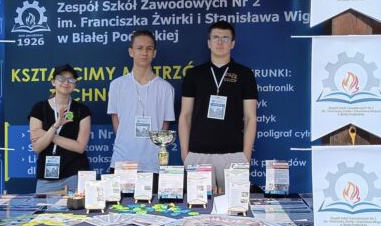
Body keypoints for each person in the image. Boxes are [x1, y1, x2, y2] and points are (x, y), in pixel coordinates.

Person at [178, 21, 258, 192]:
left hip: (234, 156)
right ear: (209, 43)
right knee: (198, 205)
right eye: (215, 38)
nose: (220, 42)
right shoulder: (194, 74)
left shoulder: (245, 74)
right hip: (198, 155)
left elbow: (250, 117)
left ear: (233, 43)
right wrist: (185, 154)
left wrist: (245, 156)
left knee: (234, 206)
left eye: (225, 38)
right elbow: (185, 115)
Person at [107, 30, 175, 174]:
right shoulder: (117, 85)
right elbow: (116, 122)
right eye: (139, 48)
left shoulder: (166, 88)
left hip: (153, 163)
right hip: (123, 161)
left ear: (154, 53)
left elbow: (164, 127)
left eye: (149, 49)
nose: (144, 52)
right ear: (131, 52)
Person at [28, 64, 91, 194]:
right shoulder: (39, 108)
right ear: (53, 82)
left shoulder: (82, 110)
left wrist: (47, 134)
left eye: (71, 79)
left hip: (74, 175)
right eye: (61, 79)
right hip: (46, 178)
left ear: (75, 84)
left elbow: (80, 147)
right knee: (42, 208)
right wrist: (55, 126)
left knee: (77, 207)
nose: (66, 83)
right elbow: (37, 147)